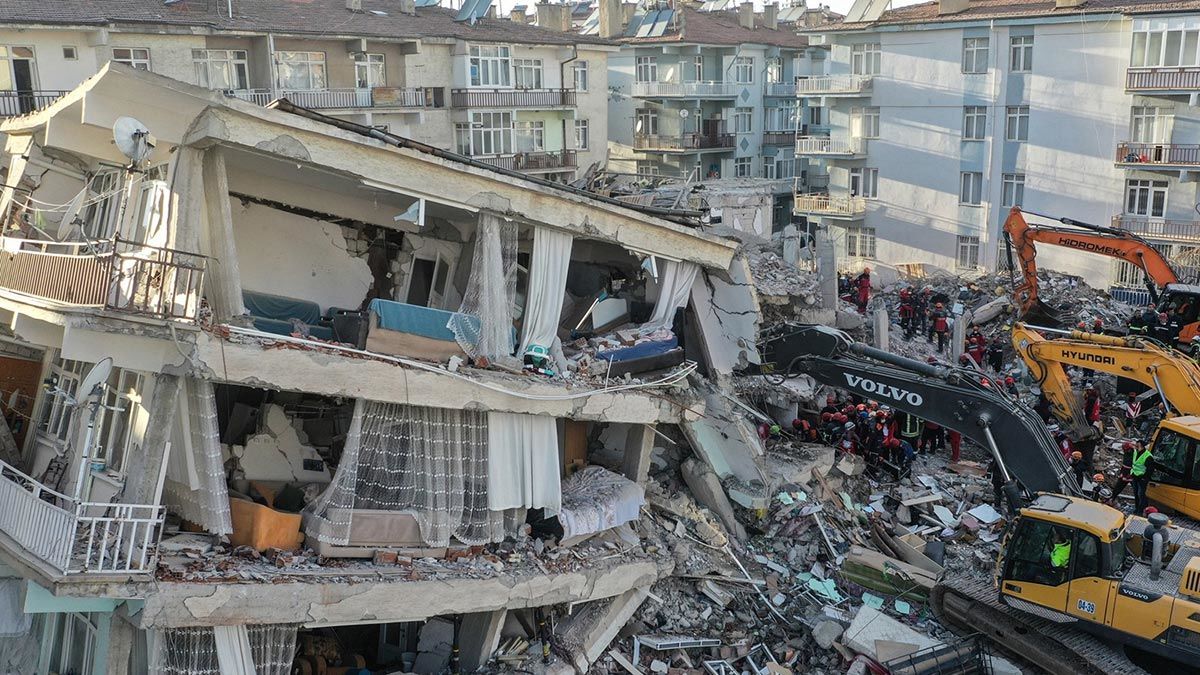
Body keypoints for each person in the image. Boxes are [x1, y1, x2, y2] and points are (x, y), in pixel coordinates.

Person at [1131, 439, 1154, 514]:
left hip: (1142, 478)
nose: (1135, 445)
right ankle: (1137, 508)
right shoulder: (1136, 452)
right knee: (1136, 494)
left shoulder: (1148, 456)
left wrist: (1145, 478)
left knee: (1140, 494)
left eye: (1137, 444)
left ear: (1141, 445)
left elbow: (1150, 470)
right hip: (1135, 476)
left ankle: (1140, 510)